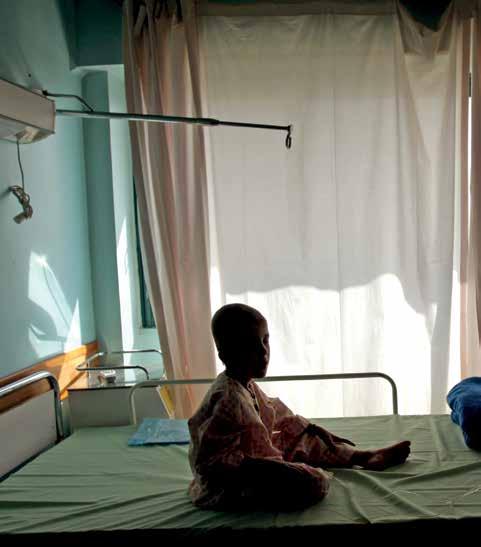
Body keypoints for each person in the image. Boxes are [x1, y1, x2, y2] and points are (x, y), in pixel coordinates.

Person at [188, 303, 410, 511]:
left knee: (303, 438)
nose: (263, 351)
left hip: (255, 457)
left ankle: (363, 457)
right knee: (313, 482)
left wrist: (309, 428)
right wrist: (261, 467)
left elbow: (274, 412)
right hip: (231, 483)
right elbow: (209, 462)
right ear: (226, 354)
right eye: (250, 345)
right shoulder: (227, 398)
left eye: (265, 341)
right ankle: (306, 471)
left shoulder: (245, 383)